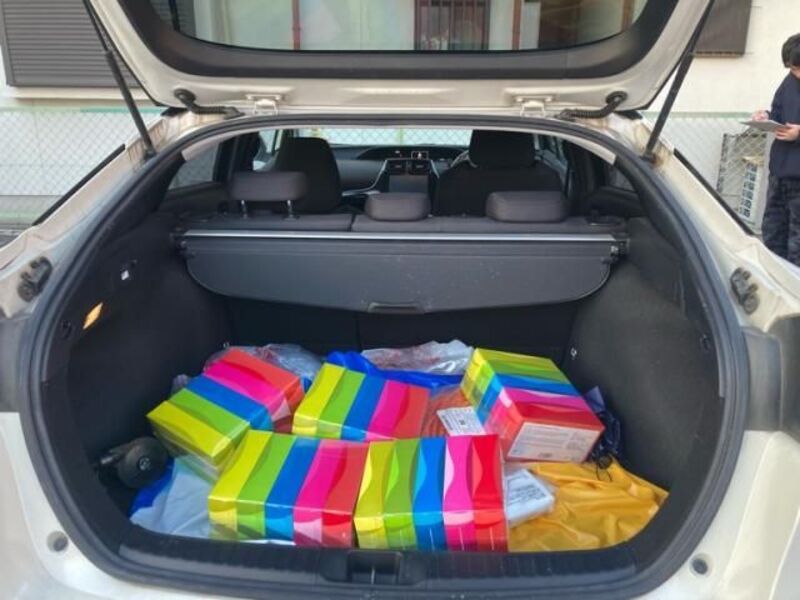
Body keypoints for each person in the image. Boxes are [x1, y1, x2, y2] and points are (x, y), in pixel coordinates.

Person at [753, 34, 800, 265]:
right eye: (792, 68)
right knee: (772, 235)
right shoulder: (788, 82)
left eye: (798, 68)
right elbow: (779, 113)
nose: (795, 73)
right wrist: (767, 117)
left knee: (797, 244)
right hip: (779, 174)